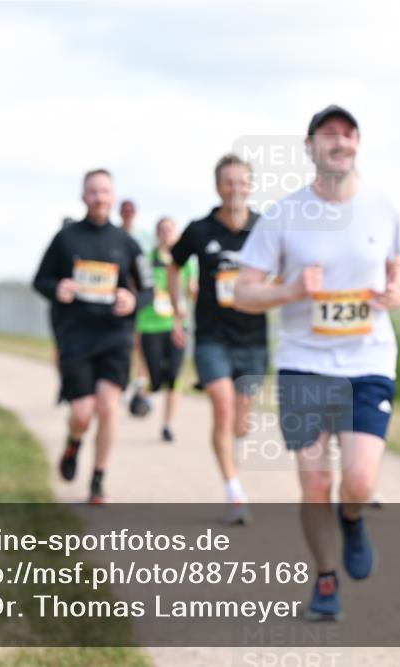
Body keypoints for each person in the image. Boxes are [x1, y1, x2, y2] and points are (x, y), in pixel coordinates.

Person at [235, 106, 400, 620]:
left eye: (348, 133)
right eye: (328, 134)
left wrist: (395, 291)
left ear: (359, 143)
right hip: (305, 364)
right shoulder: (283, 215)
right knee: (313, 481)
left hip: (368, 359)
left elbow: (396, 272)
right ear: (309, 147)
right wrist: (288, 289)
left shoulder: (382, 206)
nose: (340, 141)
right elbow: (243, 292)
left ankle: (352, 517)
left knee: (357, 480)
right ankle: (326, 578)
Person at [33, 169, 152, 504]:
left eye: (105, 191)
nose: (99, 197)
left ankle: (98, 479)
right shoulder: (66, 239)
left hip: (115, 335)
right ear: (84, 197)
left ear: (113, 197)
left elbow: (148, 290)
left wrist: (133, 300)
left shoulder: (127, 243)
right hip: (76, 336)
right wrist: (58, 287)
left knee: (109, 407)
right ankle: (73, 443)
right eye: (93, 192)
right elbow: (40, 280)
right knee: (83, 412)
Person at [169, 154, 269, 525]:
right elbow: (175, 263)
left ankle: (232, 448)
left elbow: (285, 265)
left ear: (250, 186)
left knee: (242, 420)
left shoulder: (263, 227)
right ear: (217, 187)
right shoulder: (199, 229)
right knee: (223, 408)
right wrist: (179, 307)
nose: (235, 189)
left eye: (241, 182)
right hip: (212, 335)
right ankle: (234, 491)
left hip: (253, 336)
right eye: (228, 182)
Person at [136, 216, 199, 442]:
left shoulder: (187, 262)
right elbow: (137, 287)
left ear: (177, 234)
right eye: (162, 229)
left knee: (174, 375)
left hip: (177, 325)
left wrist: (193, 291)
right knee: (155, 376)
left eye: (170, 229)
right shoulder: (147, 260)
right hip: (150, 324)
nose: (166, 233)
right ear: (157, 233)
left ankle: (167, 425)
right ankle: (144, 394)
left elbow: (193, 291)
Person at [120, 198, 153, 418]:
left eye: (132, 209)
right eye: (126, 210)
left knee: (141, 345)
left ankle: (140, 387)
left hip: (139, 299)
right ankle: (124, 383)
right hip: (121, 299)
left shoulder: (144, 237)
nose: (129, 213)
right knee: (128, 344)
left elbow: (146, 270)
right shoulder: (115, 234)